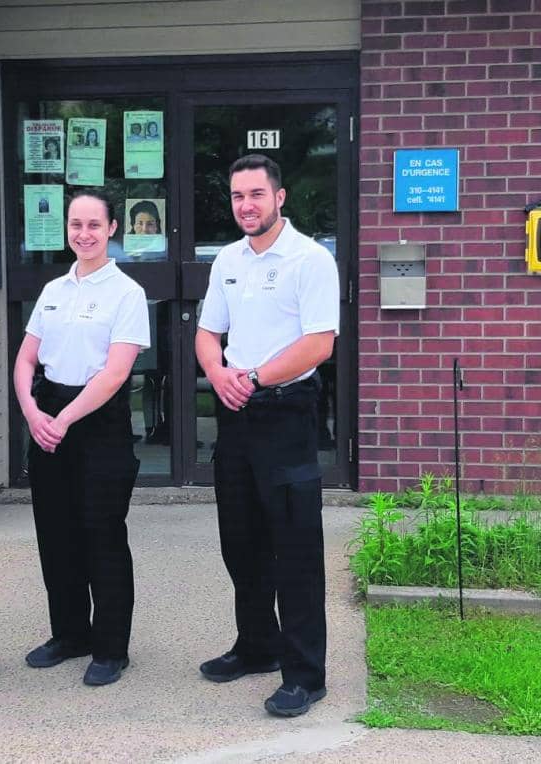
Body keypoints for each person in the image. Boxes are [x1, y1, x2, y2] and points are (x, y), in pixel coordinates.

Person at [194, 154, 339, 718]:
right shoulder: (227, 260)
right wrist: (219, 373)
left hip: (286, 411)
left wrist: (252, 377)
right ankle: (257, 645)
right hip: (236, 414)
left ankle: (305, 673)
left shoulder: (309, 260)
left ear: (280, 198)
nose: (246, 205)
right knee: (242, 540)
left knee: (295, 548)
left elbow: (317, 343)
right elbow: (209, 330)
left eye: (256, 194)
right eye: (237, 196)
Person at [14, 189, 150, 687]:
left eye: (94, 224)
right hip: (48, 419)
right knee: (57, 535)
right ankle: (69, 633)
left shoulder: (126, 293)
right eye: (76, 224)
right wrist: (31, 411)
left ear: (112, 229)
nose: (84, 234)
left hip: (97, 425)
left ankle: (111, 647)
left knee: (103, 536)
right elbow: (27, 357)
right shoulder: (53, 290)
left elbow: (114, 374)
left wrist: (62, 419)